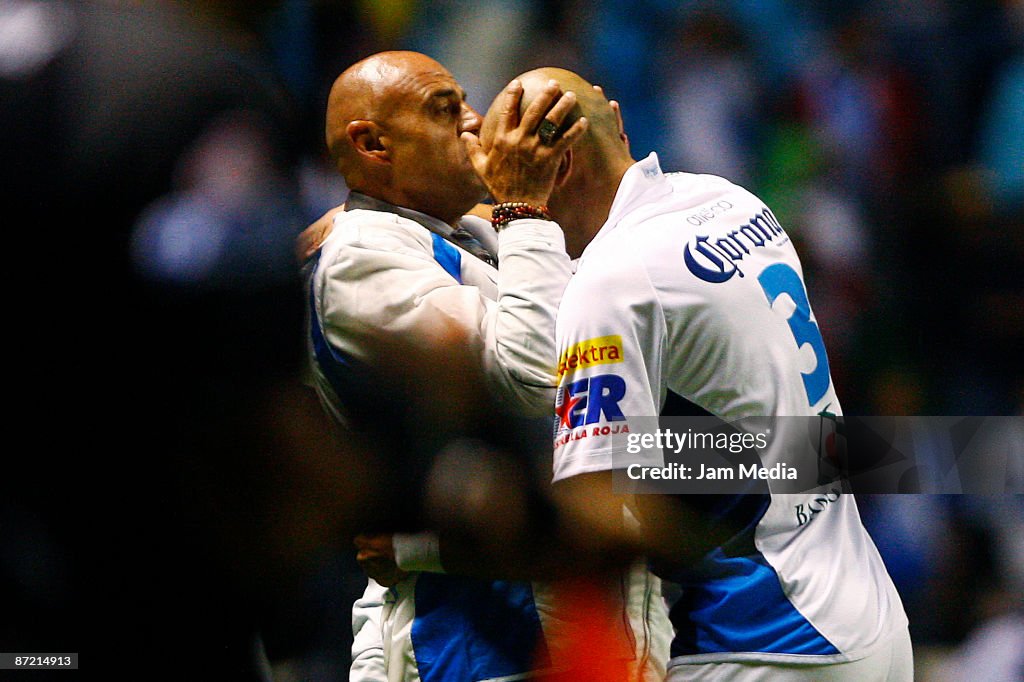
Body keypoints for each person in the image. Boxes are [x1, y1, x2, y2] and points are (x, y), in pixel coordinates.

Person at [463, 67, 913, 681]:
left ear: (549, 172)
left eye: (501, 180)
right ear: (617, 121)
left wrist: (433, 543)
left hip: (764, 641)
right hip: (866, 615)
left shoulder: (613, 284)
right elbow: (759, 445)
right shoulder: (728, 200)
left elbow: (590, 518)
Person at [307, 51, 669, 681]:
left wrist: (425, 548)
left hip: (779, 637)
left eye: (538, 142)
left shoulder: (631, 271)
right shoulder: (699, 221)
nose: (493, 143)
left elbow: (646, 457)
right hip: (529, 645)